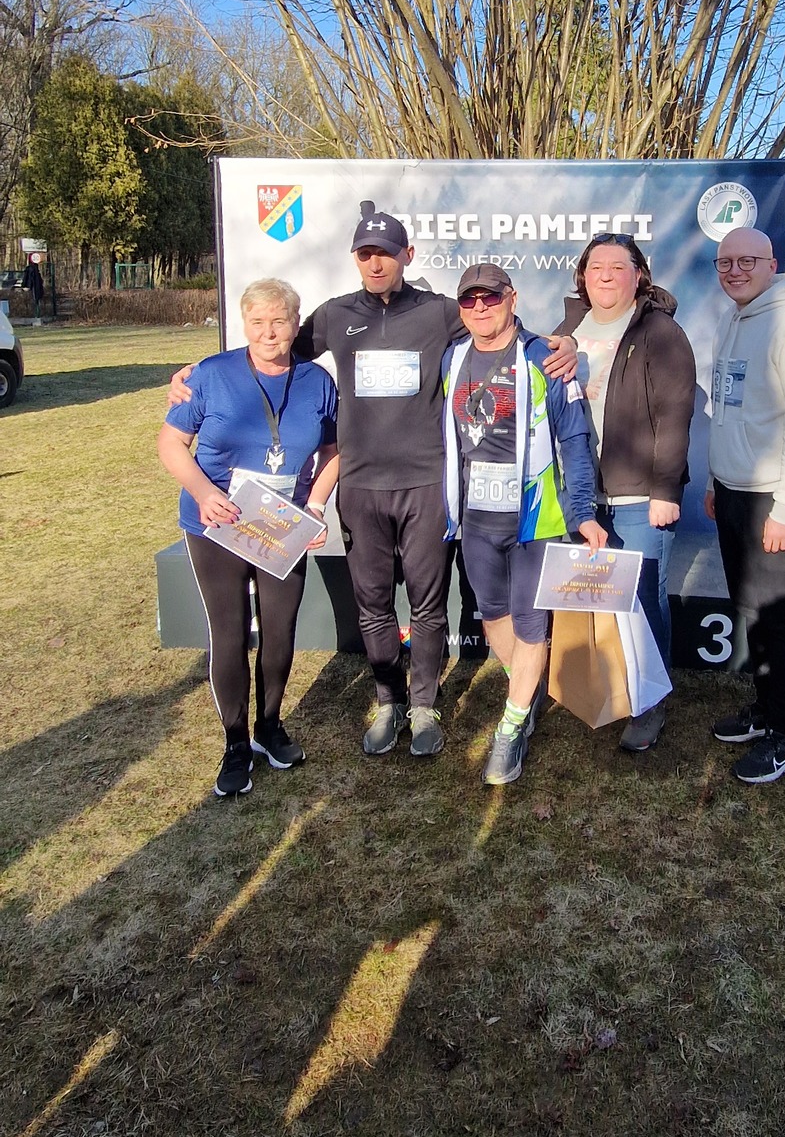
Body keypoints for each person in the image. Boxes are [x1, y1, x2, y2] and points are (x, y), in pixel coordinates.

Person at [167, 203, 576, 761]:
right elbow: (271, 349)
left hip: (426, 484)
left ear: (407, 256)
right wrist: (195, 374)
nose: (376, 263)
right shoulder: (335, 315)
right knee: (374, 602)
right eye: (366, 254)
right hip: (359, 486)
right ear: (355, 259)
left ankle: (425, 705)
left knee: (429, 605)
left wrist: (560, 344)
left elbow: (500, 326)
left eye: (386, 253)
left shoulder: (439, 312)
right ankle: (387, 702)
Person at [157, 278, 337, 798]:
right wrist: (202, 490)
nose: (268, 332)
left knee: (279, 630)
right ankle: (235, 742)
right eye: (257, 322)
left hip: (282, 526)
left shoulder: (316, 382)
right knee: (230, 632)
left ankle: (269, 726)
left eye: (279, 321)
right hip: (217, 522)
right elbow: (171, 443)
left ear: (295, 324)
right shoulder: (209, 376)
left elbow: (335, 450)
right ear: (244, 325)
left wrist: (317, 506)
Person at [443, 263, 606, 787]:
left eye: (490, 298)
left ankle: (511, 727)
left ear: (511, 298)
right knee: (494, 620)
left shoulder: (545, 357)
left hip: (537, 517)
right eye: (470, 301)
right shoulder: (453, 356)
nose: (480, 309)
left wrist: (583, 512)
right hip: (477, 519)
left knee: (532, 625)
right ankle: (527, 692)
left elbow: (575, 440)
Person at [555, 233, 696, 751]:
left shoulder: (660, 333)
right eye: (597, 267)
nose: (607, 275)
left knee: (643, 598)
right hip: (583, 493)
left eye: (620, 265)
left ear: (640, 274)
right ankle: (607, 683)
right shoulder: (568, 329)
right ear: (583, 276)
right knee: (598, 597)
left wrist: (664, 490)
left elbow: (675, 417)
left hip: (640, 496)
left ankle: (649, 703)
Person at [707, 227, 785, 785]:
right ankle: (765, 710)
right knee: (750, 607)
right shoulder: (735, 318)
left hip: (773, 499)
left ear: (772, 263)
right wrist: (717, 480)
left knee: (778, 615)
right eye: (724, 262)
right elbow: (734, 409)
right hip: (733, 491)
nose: (734, 270)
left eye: (746, 261)